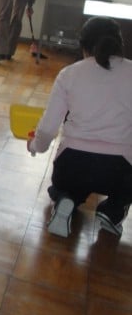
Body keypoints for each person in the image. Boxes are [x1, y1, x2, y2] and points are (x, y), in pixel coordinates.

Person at [28, 16, 132, 238]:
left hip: (72, 165)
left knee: (64, 186)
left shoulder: (70, 74)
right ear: (119, 44)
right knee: (124, 188)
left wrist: (35, 145)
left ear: (83, 47)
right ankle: (112, 212)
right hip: (120, 170)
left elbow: (48, 127)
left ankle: (66, 200)